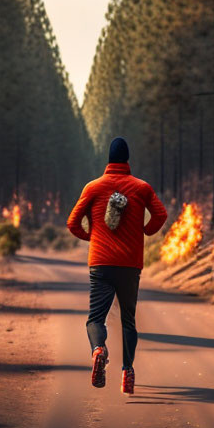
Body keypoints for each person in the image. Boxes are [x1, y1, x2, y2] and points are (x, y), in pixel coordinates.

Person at [66, 137, 167, 394]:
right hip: (130, 264)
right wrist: (145, 230)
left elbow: (72, 222)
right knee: (128, 321)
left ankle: (98, 349)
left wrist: (94, 237)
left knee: (95, 318)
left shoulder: (93, 187)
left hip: (100, 263)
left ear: (108, 160)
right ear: (128, 160)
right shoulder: (141, 187)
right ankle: (127, 373)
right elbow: (161, 215)